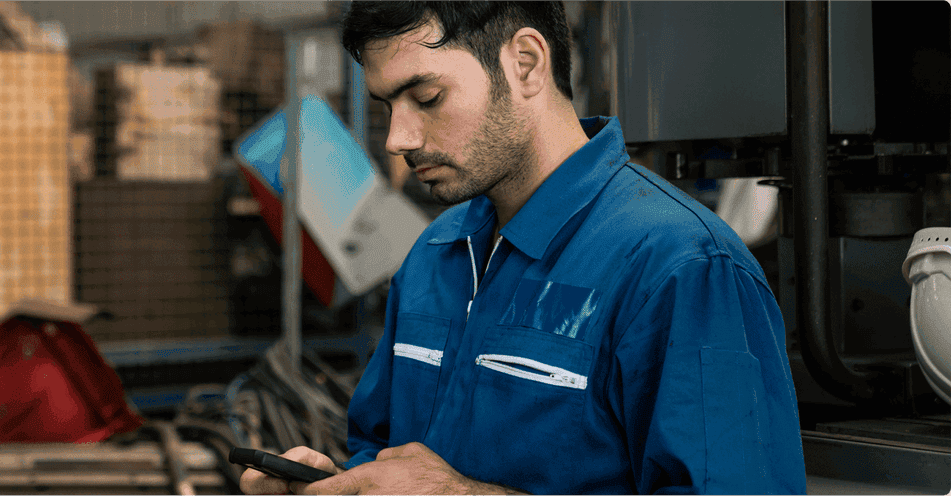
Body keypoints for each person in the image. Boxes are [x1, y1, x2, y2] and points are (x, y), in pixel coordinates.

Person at [241, 1, 808, 494]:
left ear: (526, 63)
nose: (398, 139)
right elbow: (384, 450)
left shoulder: (681, 270)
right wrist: (341, 480)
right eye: (388, 105)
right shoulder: (436, 254)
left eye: (427, 96)